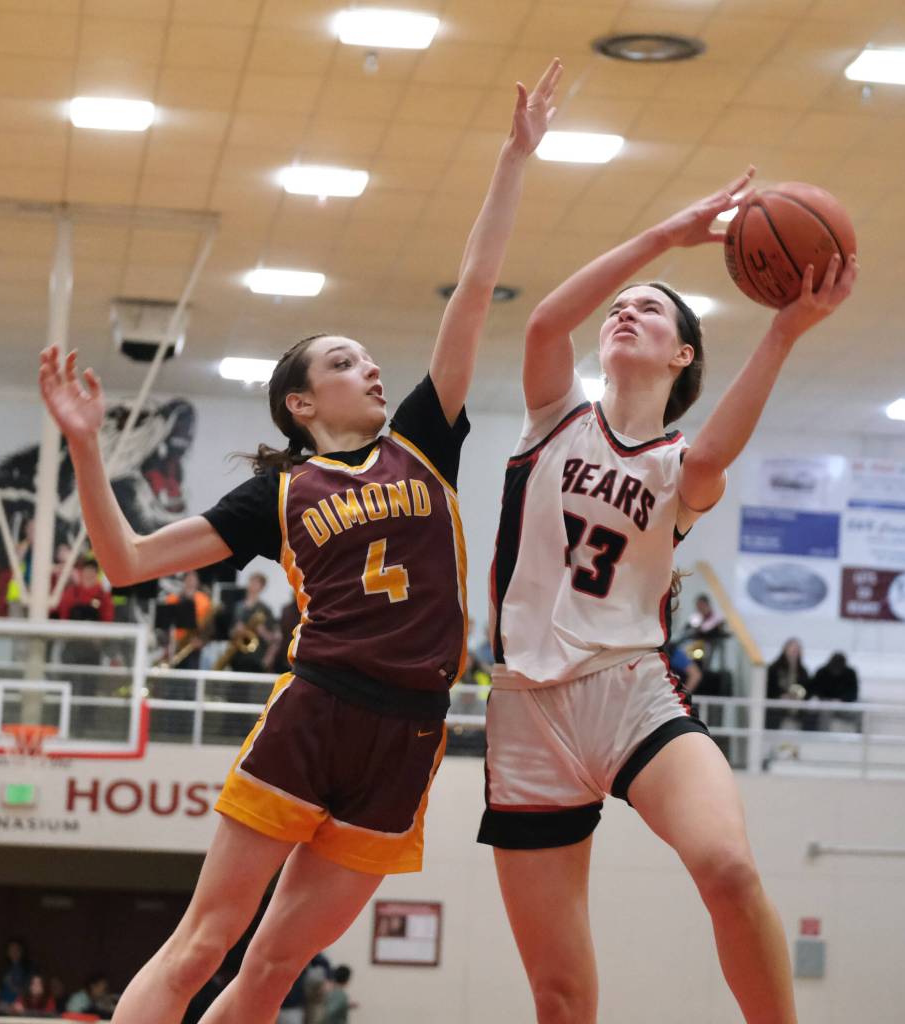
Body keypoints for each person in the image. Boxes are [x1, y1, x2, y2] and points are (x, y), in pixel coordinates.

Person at [39, 58, 562, 1024]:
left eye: (368, 356)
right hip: (318, 707)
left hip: (412, 731)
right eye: (342, 360)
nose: (369, 365)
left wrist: (513, 159)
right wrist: (83, 446)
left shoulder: (423, 441)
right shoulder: (276, 490)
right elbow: (127, 564)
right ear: (300, 400)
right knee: (204, 941)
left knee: (274, 969)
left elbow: (475, 288)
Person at [479, 168, 857, 1024]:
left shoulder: (679, 467)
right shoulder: (554, 418)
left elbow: (717, 452)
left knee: (729, 869)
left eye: (651, 311)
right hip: (524, 713)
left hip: (632, 694)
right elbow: (546, 322)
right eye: (622, 306)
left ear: (683, 355)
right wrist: (662, 237)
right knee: (562, 996)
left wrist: (786, 330)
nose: (625, 312)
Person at [765, 638, 811, 730]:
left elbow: (807, 689)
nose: (794, 652)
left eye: (796, 650)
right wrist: (781, 696)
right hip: (777, 706)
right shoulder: (774, 668)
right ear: (785, 650)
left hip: (797, 708)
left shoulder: (802, 671)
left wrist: (798, 697)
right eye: (792, 649)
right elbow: (769, 688)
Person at [810, 651, 860, 731]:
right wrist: (827, 700)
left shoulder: (850, 673)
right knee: (825, 712)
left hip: (844, 706)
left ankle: (859, 738)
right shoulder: (822, 672)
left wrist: (841, 700)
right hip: (824, 705)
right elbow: (815, 689)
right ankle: (823, 737)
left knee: (859, 713)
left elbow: (853, 693)